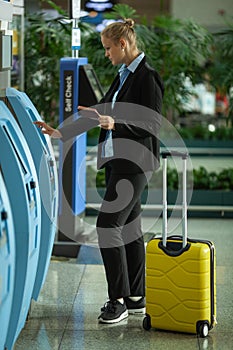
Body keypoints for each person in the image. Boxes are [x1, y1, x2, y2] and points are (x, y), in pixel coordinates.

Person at [35, 18, 164, 324]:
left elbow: (153, 125)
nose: (106, 54)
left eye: (108, 48)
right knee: (130, 229)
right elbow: (100, 113)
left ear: (123, 44)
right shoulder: (122, 76)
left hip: (135, 163)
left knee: (107, 227)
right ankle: (135, 298)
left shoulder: (147, 77)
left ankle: (116, 300)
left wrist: (116, 124)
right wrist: (59, 132)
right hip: (117, 161)